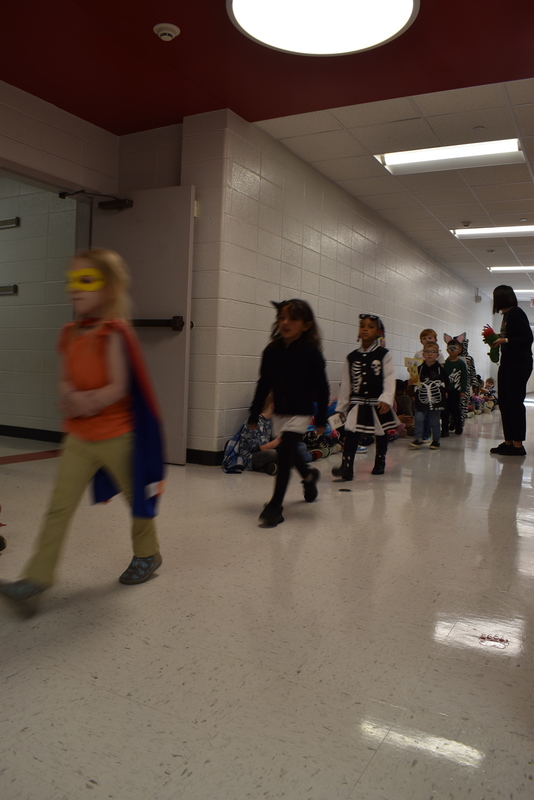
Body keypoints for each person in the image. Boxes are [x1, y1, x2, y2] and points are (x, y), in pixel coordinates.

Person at [0, 249, 164, 617]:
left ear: (109, 288)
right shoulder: (69, 332)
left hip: (117, 435)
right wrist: (69, 396)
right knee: (58, 507)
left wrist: (86, 401)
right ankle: (36, 579)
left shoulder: (114, 332)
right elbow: (62, 381)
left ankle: (148, 553)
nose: (75, 289)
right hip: (78, 437)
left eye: (85, 281)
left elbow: (120, 386)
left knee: (136, 499)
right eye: (71, 281)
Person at [248, 299, 329, 527]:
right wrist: (254, 412)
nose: (285, 322)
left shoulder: (311, 352)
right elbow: (264, 384)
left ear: (305, 325)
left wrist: (322, 417)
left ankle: (275, 505)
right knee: (288, 449)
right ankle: (309, 476)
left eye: (292, 318)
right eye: (282, 318)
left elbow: (322, 387)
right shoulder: (271, 351)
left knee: (284, 455)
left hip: (301, 412)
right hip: (281, 412)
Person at [332, 314, 399, 479]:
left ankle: (380, 461)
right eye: (362, 326)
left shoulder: (384, 354)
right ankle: (347, 466)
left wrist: (386, 398)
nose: (365, 329)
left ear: (378, 332)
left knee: (381, 432)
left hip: (377, 402)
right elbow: (346, 383)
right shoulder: (352, 357)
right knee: (351, 432)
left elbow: (389, 377)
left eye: (370, 326)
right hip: (357, 401)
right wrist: (342, 407)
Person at [488, 285, 533, 456]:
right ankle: (508, 442)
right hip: (507, 364)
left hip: (519, 364)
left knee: (514, 403)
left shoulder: (516, 312)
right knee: (504, 403)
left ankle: (518, 446)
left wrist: (504, 340)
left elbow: (528, 338)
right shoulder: (506, 315)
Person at [222, 394, 312, 475]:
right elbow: (263, 448)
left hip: (268, 449)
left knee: (301, 446)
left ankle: (269, 467)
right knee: (273, 454)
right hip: (252, 456)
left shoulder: (270, 420)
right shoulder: (257, 422)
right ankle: (308, 457)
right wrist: (282, 437)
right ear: (273, 406)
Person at [408, 341, 449, 450]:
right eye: (427, 352)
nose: (430, 354)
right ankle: (418, 439)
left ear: (437, 355)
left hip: (436, 400)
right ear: (423, 354)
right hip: (421, 400)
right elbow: (414, 383)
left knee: (434, 420)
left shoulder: (441, 370)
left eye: (433, 352)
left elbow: (447, 382)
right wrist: (411, 385)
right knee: (419, 417)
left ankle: (436, 440)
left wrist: (446, 392)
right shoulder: (419, 369)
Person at [443, 338, 468, 435]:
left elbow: (464, 377)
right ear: (447, 350)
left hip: (456, 391)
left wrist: (463, 390)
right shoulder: (445, 363)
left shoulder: (461, 363)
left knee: (455, 410)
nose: (452, 350)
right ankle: (444, 430)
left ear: (459, 350)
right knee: (445, 411)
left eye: (454, 348)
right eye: (450, 348)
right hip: (446, 391)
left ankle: (458, 427)